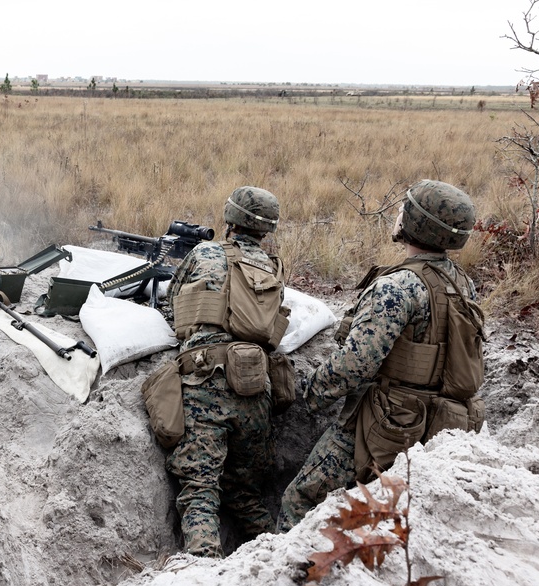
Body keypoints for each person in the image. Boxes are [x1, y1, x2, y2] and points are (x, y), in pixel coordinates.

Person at [277, 179, 480, 532]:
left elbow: (352, 367)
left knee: (301, 501)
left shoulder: (397, 287)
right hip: (443, 420)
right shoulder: (463, 282)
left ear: (415, 224)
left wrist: (302, 397)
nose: (398, 213)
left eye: (406, 208)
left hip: (388, 423)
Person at [165, 185, 285, 557]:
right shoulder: (272, 267)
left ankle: (203, 570)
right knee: (242, 491)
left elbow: (173, 301)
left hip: (206, 379)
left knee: (201, 488)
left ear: (230, 219)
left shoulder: (204, 251)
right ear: (266, 230)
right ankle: (280, 557)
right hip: (255, 385)